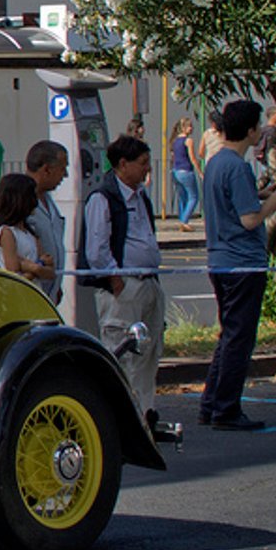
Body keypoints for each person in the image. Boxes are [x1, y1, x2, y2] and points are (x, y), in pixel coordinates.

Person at [200, 99, 276, 431]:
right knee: (240, 339)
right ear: (251, 129)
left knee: (229, 335)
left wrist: (261, 193)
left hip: (221, 259)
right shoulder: (237, 166)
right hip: (243, 262)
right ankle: (226, 407)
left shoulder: (215, 162)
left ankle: (212, 402)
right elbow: (251, 219)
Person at [81, 135, 166, 428]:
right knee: (124, 352)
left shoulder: (140, 195)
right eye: (142, 164)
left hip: (148, 283)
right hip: (124, 288)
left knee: (150, 351)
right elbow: (97, 248)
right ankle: (122, 418)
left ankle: (145, 413)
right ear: (122, 164)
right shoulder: (103, 198)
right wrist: (116, 280)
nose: (146, 170)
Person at [0, 140, 69, 307]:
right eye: (62, 169)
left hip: (43, 295)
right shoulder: (9, 199)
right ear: (47, 169)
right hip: (18, 298)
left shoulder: (49, 202)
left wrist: (53, 283)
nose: (65, 176)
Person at [0, 172, 57, 295]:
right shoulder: (7, 232)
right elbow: (14, 272)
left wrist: (30, 266)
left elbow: (50, 272)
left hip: (36, 293)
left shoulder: (30, 232)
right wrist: (37, 267)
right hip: (16, 295)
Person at [168, 116, 200, 228]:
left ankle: (182, 218)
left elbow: (173, 157)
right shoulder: (188, 141)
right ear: (184, 128)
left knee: (183, 198)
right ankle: (184, 221)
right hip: (186, 170)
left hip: (176, 171)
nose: (191, 128)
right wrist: (200, 172)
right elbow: (192, 158)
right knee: (194, 197)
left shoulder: (174, 141)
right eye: (189, 126)